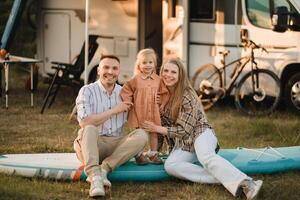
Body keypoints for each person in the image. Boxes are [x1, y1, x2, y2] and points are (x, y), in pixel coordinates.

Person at [142, 57, 263, 200]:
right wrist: (155, 150)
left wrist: (156, 128)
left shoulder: (187, 95)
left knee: (206, 157)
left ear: (180, 75)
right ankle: (228, 179)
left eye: (173, 72)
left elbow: (184, 130)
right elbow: (160, 125)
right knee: (171, 165)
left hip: (200, 133)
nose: (168, 75)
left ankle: (248, 184)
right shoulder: (159, 95)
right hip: (183, 144)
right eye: (165, 71)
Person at [73, 55, 148, 197]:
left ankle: (104, 170)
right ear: (98, 71)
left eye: (115, 68)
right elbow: (84, 122)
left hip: (115, 145)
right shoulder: (87, 91)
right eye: (106, 67)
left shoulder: (124, 93)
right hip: (91, 143)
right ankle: (95, 178)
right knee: (89, 128)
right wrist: (115, 110)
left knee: (142, 135)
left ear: (119, 71)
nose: (110, 72)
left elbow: (138, 121)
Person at [121, 48, 168, 164]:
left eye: (150, 62)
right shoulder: (135, 80)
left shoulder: (158, 80)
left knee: (153, 132)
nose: (147, 65)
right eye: (144, 63)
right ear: (139, 65)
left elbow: (165, 93)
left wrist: (161, 101)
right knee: (139, 134)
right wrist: (128, 101)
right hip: (139, 111)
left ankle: (153, 154)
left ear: (154, 64)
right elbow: (126, 91)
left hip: (153, 111)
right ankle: (139, 155)